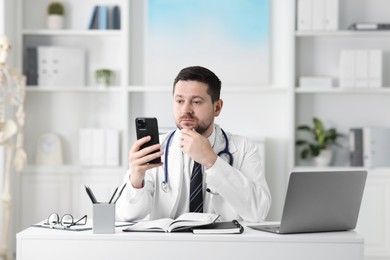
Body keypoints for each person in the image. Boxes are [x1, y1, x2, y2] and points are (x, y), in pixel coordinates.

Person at [116, 66, 271, 222]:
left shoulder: (243, 148)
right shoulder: (155, 148)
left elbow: (258, 212)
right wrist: (136, 179)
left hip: (223, 245)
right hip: (168, 244)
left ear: (217, 107)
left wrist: (212, 161)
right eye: (179, 101)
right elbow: (127, 215)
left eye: (196, 102)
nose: (186, 110)